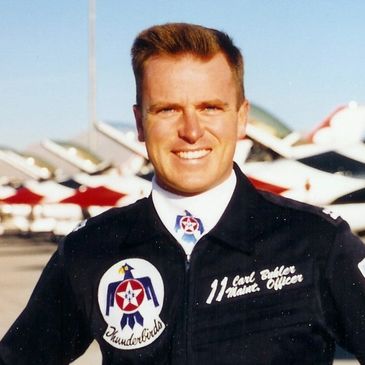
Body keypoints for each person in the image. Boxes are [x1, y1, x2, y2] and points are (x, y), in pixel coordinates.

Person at [1, 22, 365, 365]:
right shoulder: (90, 249)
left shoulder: (316, 242)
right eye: (168, 109)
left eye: (210, 107)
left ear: (241, 118)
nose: (191, 131)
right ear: (141, 123)